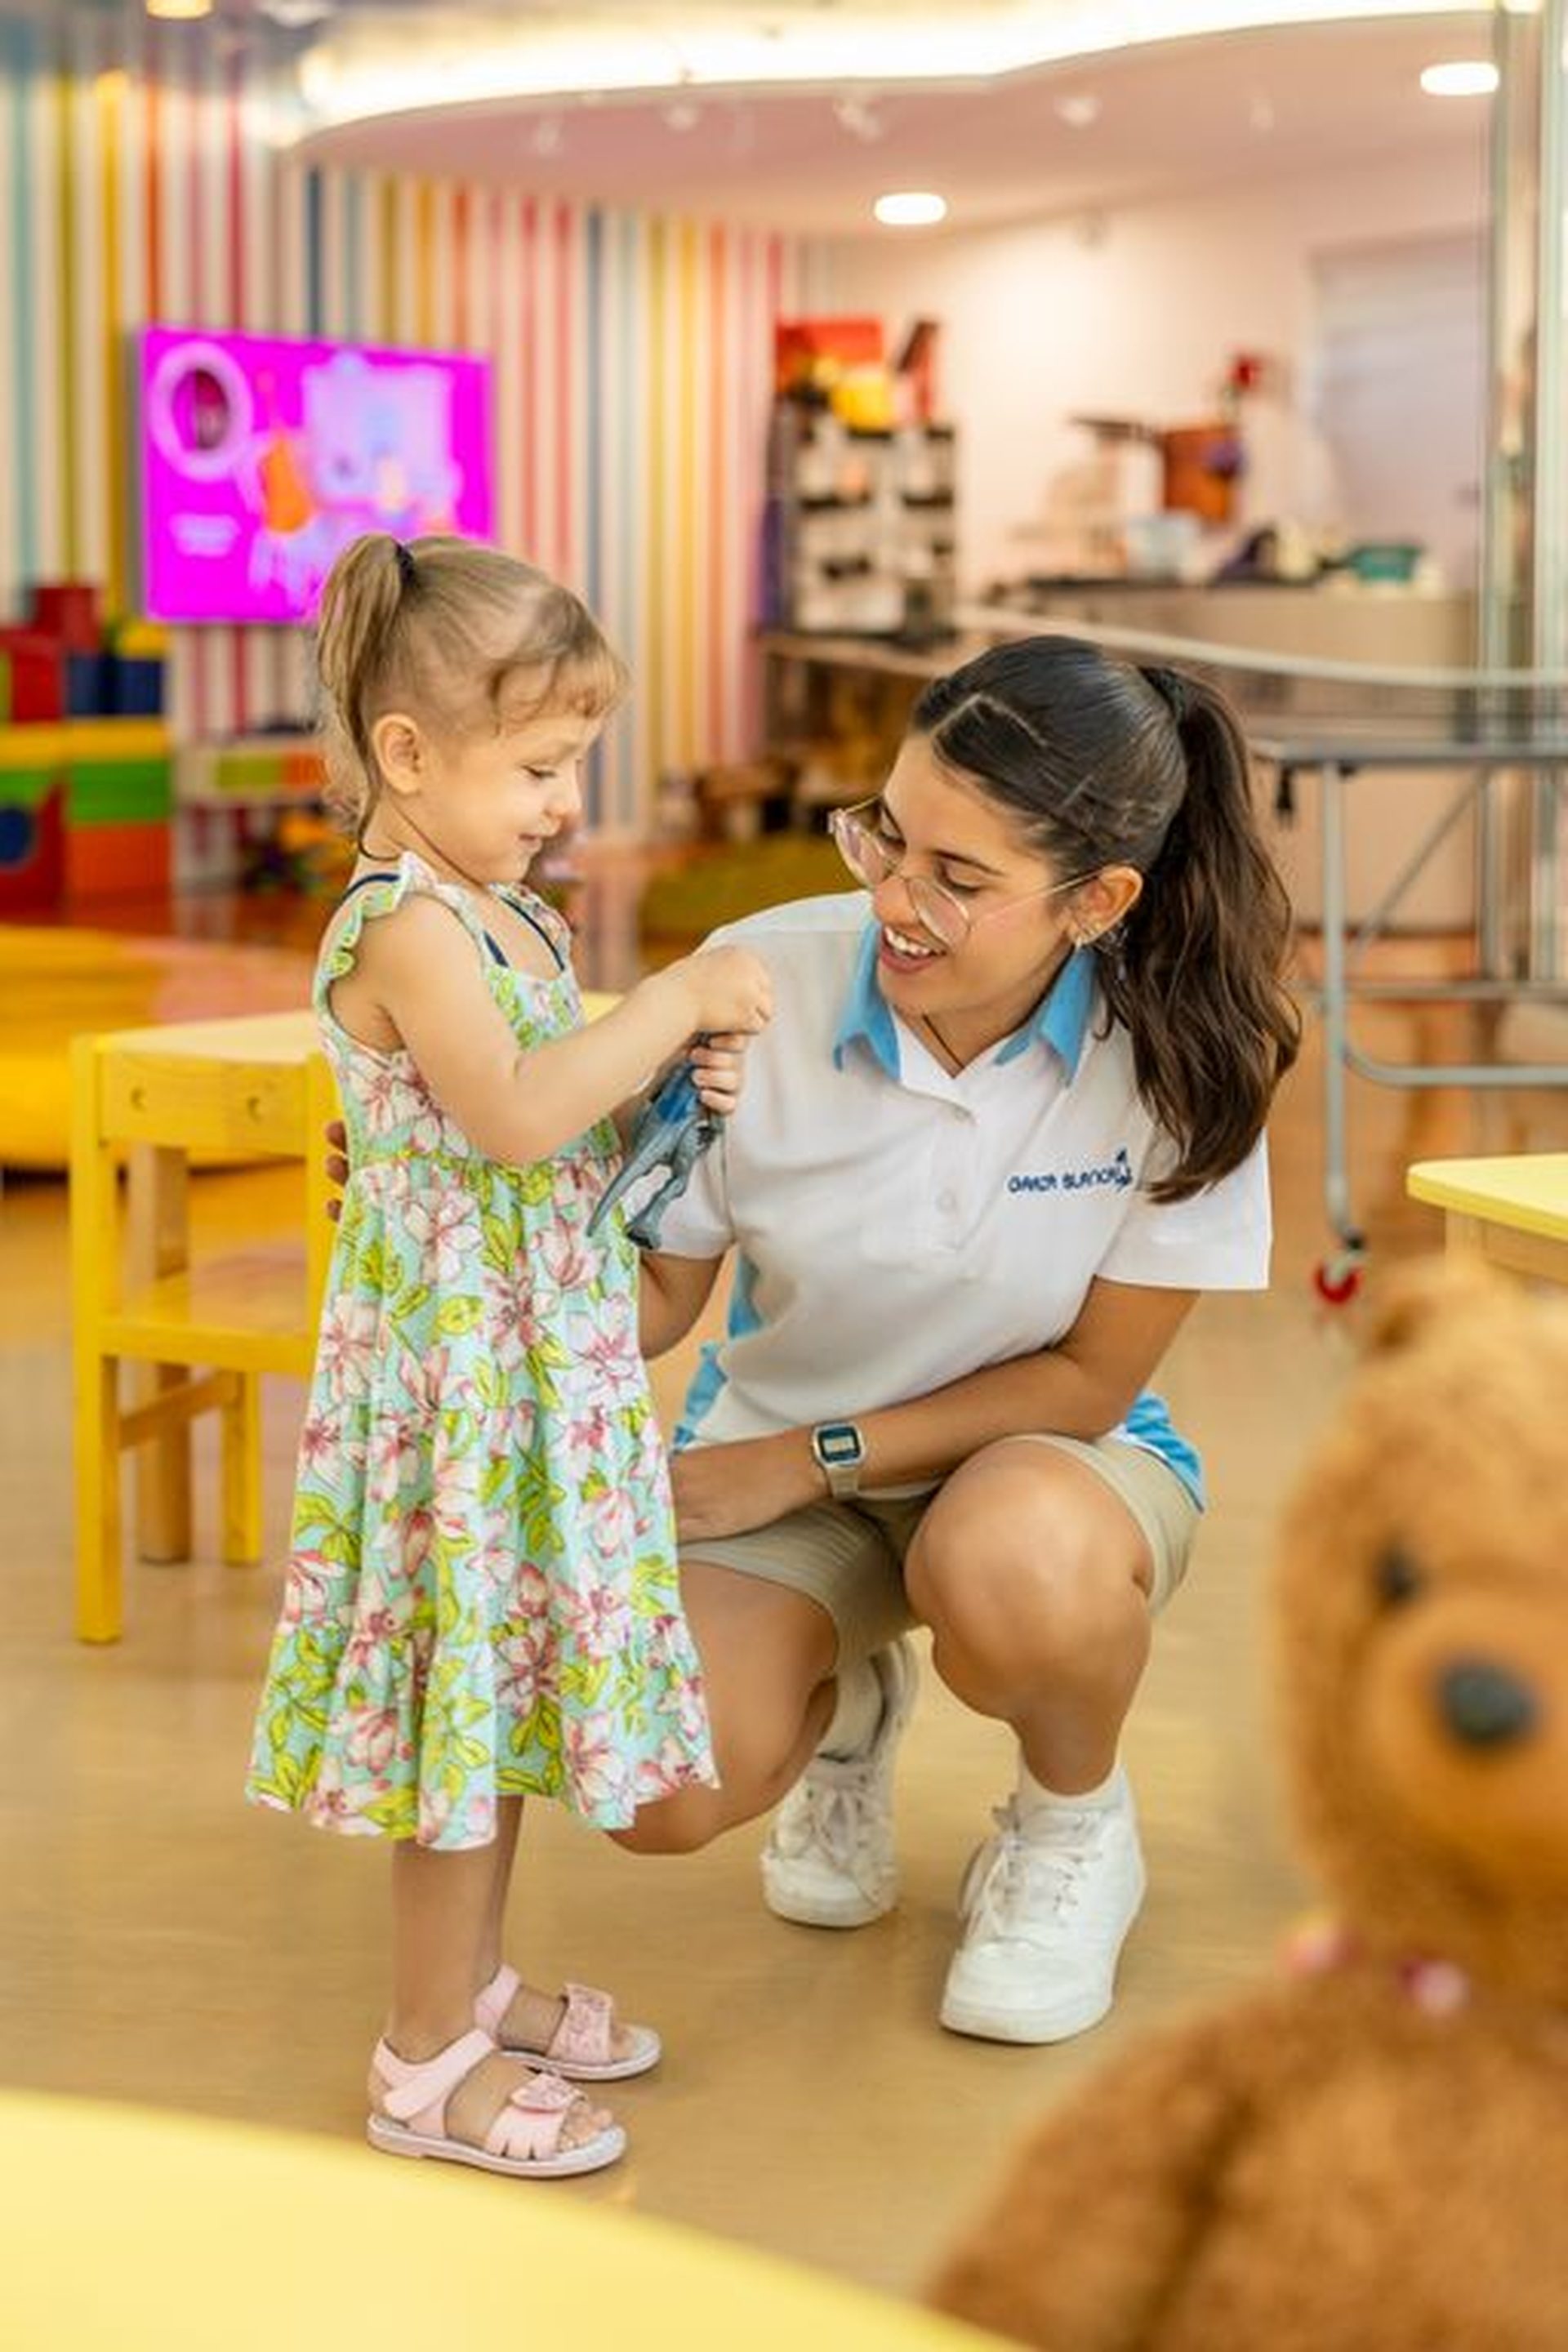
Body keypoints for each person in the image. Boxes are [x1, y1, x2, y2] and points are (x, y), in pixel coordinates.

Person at [613, 632, 1300, 2048]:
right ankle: (847, 1694)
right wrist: (469, 1233)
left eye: (960, 879)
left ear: (1100, 899)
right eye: (887, 839)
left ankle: (1069, 1826)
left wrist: (810, 1459)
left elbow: (1095, 1378)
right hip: (774, 1471)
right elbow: (662, 1290)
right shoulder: (755, 981)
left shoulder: (1188, 1060)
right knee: (654, 1792)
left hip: (1048, 1464)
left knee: (1006, 1564)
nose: (896, 905)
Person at [245, 532, 773, 2178]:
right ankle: (423, 2061)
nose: (565, 800)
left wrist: (676, 1089)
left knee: (506, 1699)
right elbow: (515, 1111)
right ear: (408, 758)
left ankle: (471, 1987)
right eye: (541, 765)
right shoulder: (405, 927)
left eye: (574, 763)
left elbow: (575, 1113)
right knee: (452, 1728)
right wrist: (678, 995)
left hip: (536, 1377)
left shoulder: (516, 921)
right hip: (456, 1397)